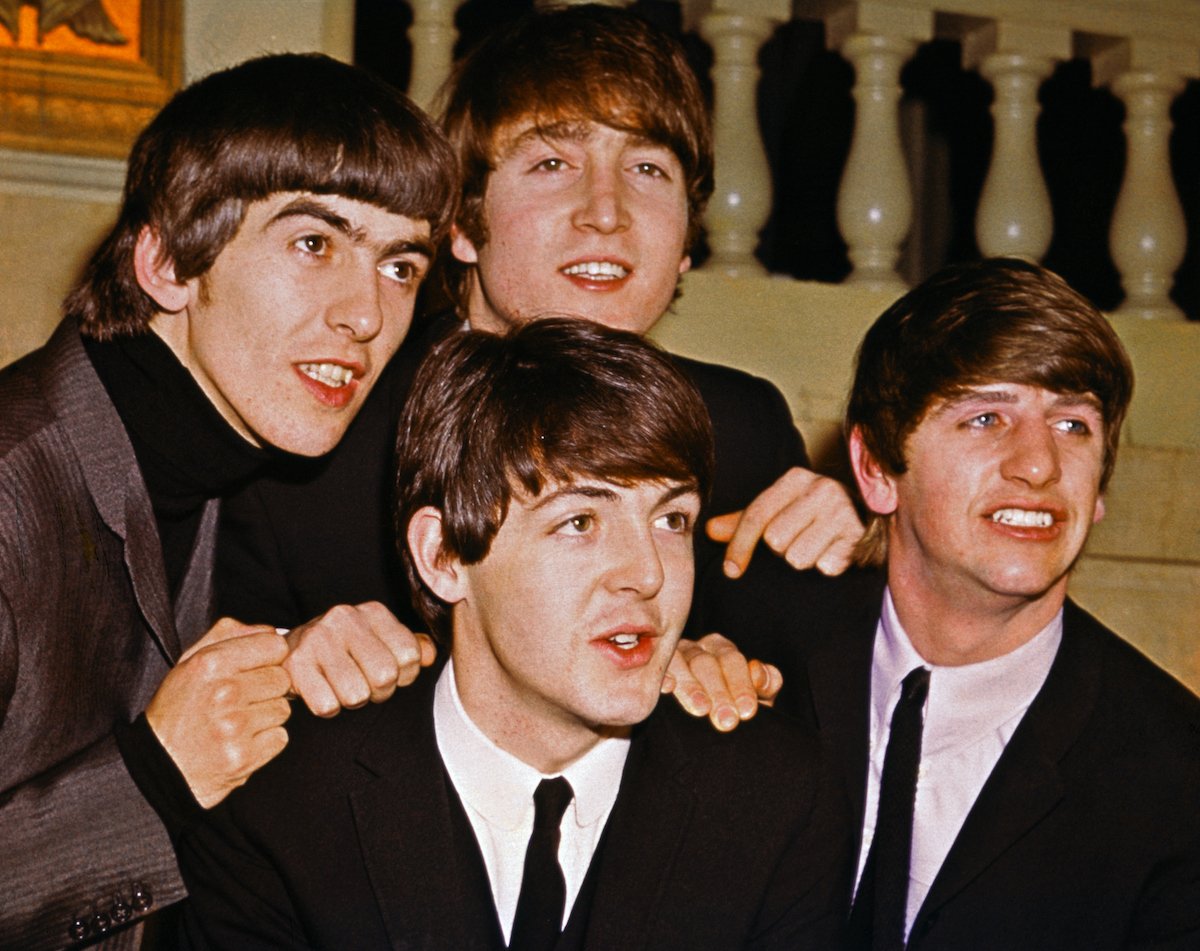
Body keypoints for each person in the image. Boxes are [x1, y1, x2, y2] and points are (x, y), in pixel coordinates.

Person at [214, 2, 865, 730]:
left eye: (648, 167)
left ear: (686, 239)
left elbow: (816, 734)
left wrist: (864, 565)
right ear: (461, 221)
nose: (606, 212)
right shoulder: (319, 437)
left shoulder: (743, 434)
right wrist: (285, 661)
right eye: (553, 162)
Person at [176, 318, 853, 949]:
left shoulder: (777, 802)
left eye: (670, 519)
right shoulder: (280, 808)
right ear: (444, 556)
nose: (647, 573)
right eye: (580, 522)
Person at [0, 53, 456, 948]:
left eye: (401, 265)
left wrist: (282, 662)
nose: (367, 313)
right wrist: (156, 777)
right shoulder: (11, 483)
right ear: (168, 261)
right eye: (314, 243)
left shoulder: (241, 459)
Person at [699, 258, 1200, 949]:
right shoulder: (754, 650)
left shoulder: (1176, 777)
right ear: (876, 469)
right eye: (986, 416)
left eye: (1074, 426)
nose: (1039, 464)